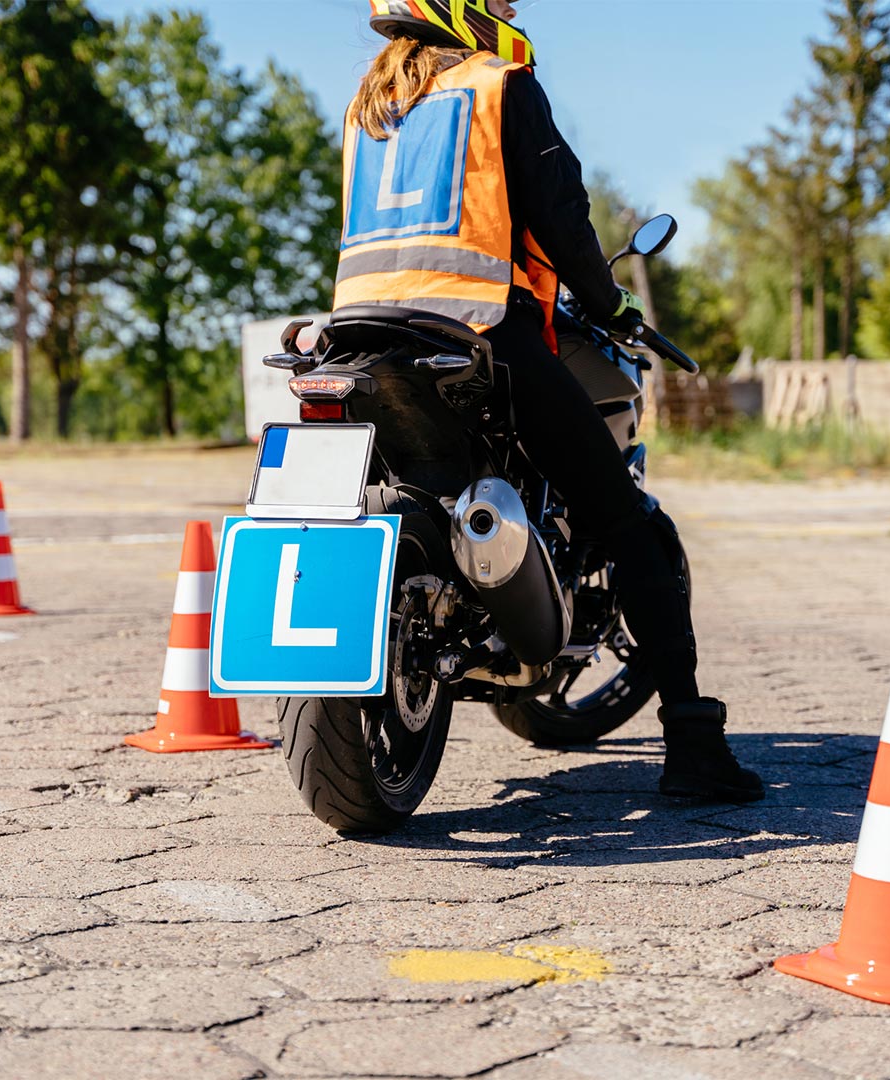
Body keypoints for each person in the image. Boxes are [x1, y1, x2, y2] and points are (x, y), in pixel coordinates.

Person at [334, 0, 763, 803]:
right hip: (479, 330)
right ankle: (696, 748)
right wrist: (612, 307)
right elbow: (565, 223)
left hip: (358, 334)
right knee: (623, 521)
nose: (512, 9)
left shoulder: (370, 105)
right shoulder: (499, 85)